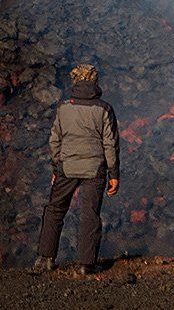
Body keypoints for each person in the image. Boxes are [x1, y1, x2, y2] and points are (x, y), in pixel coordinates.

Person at [33, 64, 120, 275]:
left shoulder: (64, 108)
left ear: (75, 82)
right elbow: (110, 144)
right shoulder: (104, 109)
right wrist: (114, 174)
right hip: (94, 169)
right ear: (94, 82)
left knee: (55, 210)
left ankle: (45, 259)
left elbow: (54, 141)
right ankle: (86, 264)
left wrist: (57, 167)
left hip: (67, 167)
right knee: (89, 214)